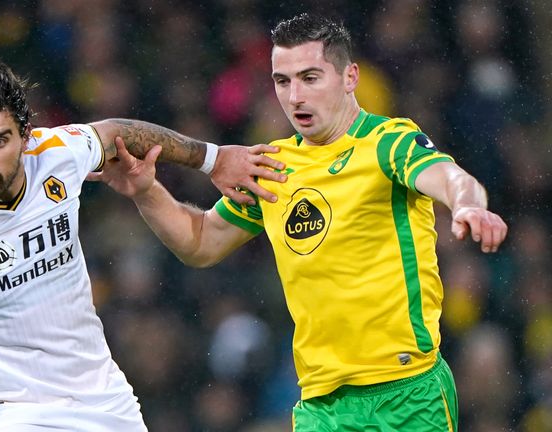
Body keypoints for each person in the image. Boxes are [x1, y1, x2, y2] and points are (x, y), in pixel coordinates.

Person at [90, 13, 508, 432]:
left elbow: (448, 177)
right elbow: (200, 242)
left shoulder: (388, 142)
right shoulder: (273, 166)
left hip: (406, 394)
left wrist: (468, 204)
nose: (295, 97)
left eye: (310, 78)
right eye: (282, 81)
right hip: (320, 405)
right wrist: (146, 191)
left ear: (350, 77)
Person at [0, 53, 284, 432]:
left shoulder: (57, 155)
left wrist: (212, 159)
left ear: (25, 136)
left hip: (104, 402)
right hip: (10, 411)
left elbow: (118, 131)